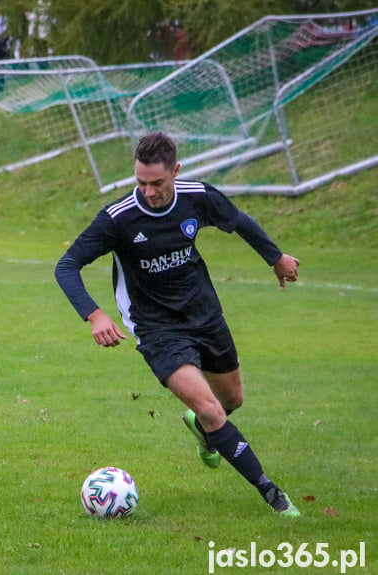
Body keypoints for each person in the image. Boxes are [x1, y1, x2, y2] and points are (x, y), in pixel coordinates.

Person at [54, 132, 301, 517]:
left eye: (157, 183)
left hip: (205, 314)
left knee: (231, 400)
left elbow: (238, 221)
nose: (148, 192)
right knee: (212, 409)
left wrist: (276, 258)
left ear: (175, 172)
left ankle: (204, 432)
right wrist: (95, 314)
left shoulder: (197, 196)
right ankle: (273, 494)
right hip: (156, 328)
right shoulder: (118, 219)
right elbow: (67, 266)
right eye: (141, 183)